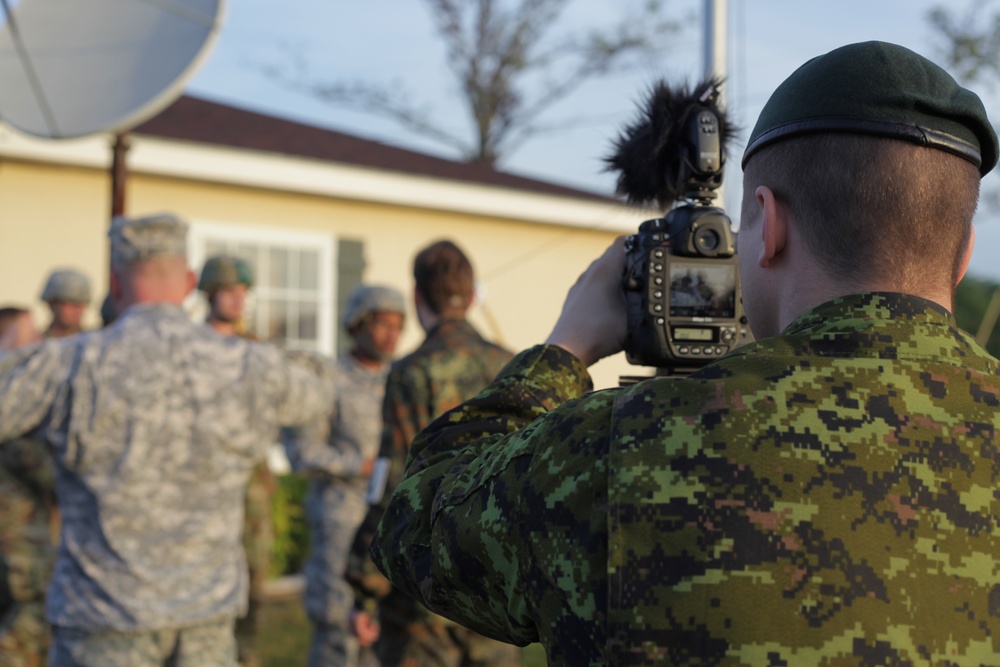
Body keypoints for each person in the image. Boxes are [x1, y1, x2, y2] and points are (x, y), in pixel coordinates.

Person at [369, 41, 1000, 665]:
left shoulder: (613, 451)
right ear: (965, 249)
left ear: (768, 223)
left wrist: (564, 350)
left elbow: (417, 528)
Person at [0, 213, 335, 666]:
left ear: (115, 286)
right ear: (190, 282)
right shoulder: (248, 367)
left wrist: (18, 350)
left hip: (104, 622)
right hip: (206, 622)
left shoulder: (70, 363)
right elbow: (320, 391)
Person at [349, 240, 520, 666]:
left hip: (425, 593)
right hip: (497, 587)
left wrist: (365, 588)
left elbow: (392, 485)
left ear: (417, 297)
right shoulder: (513, 366)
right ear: (473, 296)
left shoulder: (412, 372)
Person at [283, 284, 406, 667]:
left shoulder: (402, 379)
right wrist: (359, 464)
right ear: (357, 325)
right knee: (338, 631)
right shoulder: (328, 380)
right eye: (382, 324)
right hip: (340, 523)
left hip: (391, 523)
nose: (392, 335)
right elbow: (302, 453)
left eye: (398, 326)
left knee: (384, 632)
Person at [198, 255, 275, 667]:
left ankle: (247, 656)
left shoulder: (256, 350)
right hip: (204, 482)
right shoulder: (191, 347)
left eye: (243, 293)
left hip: (252, 481)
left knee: (254, 576)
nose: (237, 301)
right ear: (210, 294)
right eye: (229, 292)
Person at [0, 307, 55, 667]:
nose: (37, 343)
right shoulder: (12, 397)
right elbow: (45, 471)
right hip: (18, 542)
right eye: (28, 335)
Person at [38, 269, 91, 338]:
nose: (78, 310)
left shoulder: (94, 342)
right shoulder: (37, 344)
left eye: (82, 304)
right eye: (72, 303)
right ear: (52, 304)